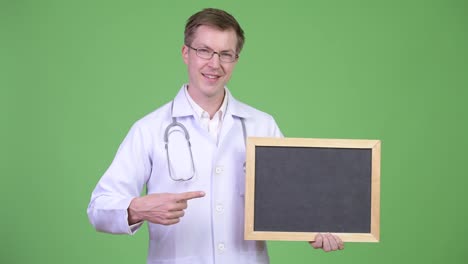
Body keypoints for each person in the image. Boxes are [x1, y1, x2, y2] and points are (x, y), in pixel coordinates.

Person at [87, 8, 344, 264]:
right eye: (204, 51)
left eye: (225, 54)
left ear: (236, 60)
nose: (214, 64)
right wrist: (136, 208)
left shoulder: (262, 125)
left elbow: (295, 201)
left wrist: (317, 226)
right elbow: (99, 208)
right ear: (186, 53)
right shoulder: (149, 129)